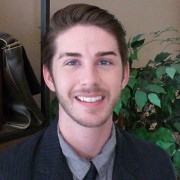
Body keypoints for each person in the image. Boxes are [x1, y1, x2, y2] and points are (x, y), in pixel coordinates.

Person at [0, 3, 176, 180]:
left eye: (104, 62)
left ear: (124, 75)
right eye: (72, 62)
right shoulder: (9, 170)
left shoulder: (156, 165)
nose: (90, 80)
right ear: (49, 77)